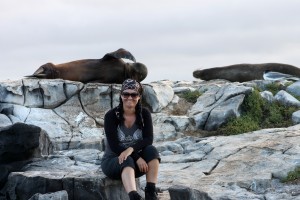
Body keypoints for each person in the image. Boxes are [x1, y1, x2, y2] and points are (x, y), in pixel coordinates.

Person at [101, 79, 160, 200]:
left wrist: (131, 150)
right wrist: (136, 157)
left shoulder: (144, 114)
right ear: (121, 95)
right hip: (113, 162)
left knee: (152, 150)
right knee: (126, 159)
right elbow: (114, 146)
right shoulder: (111, 116)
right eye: (126, 94)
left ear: (139, 97)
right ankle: (134, 196)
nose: (130, 97)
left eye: (134, 94)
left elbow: (149, 139)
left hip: (137, 165)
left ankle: (150, 192)